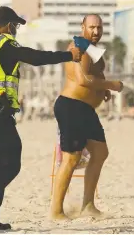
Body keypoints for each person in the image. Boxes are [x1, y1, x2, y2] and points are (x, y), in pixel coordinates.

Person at [0, 6, 82, 231]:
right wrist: (69, 56)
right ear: (5, 25)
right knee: (11, 164)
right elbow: (36, 57)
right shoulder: (4, 45)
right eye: (14, 25)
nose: (14, 29)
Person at [50, 14, 123, 220]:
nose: (96, 32)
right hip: (71, 106)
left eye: (99, 28)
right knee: (71, 158)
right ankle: (55, 211)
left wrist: (102, 91)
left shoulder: (93, 50)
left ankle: (88, 205)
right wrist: (112, 85)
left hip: (86, 110)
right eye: (91, 27)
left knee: (100, 152)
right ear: (83, 27)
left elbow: (95, 76)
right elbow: (83, 79)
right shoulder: (79, 47)